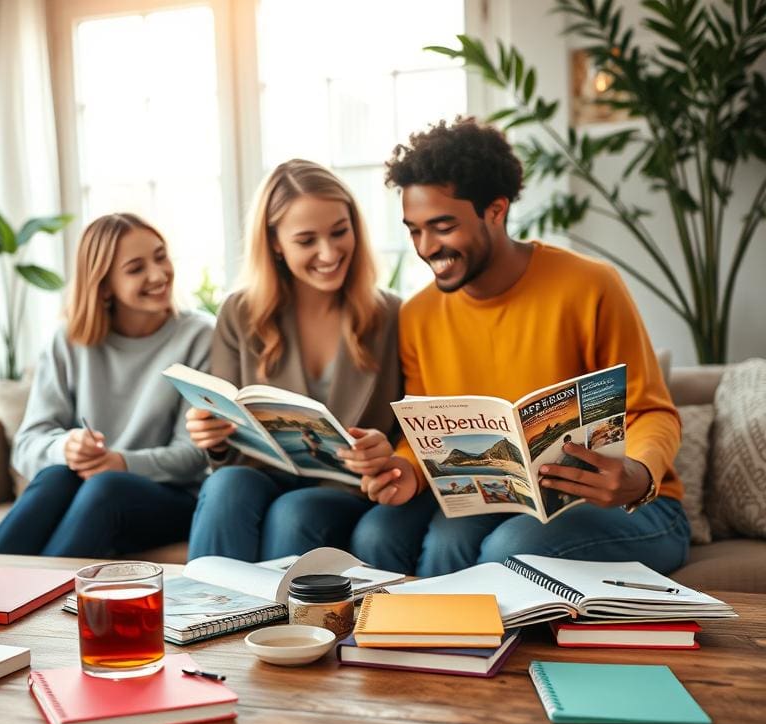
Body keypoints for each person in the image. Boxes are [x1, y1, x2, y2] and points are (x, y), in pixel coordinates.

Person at [355, 117, 689, 577]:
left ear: (496, 210)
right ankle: (404, 626)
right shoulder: (419, 314)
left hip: (633, 505)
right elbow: (423, 435)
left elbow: (653, 411)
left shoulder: (590, 286)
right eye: (414, 230)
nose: (426, 247)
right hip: (497, 500)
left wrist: (639, 473)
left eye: (442, 226)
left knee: (510, 548)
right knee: (380, 534)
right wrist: (406, 469)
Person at [185, 158, 407, 562]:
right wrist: (212, 436)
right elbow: (229, 453)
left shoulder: (391, 314)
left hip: (345, 489)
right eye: (306, 240)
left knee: (295, 511)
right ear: (275, 242)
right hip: (261, 477)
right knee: (226, 487)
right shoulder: (240, 313)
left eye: (339, 232)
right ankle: (205, 601)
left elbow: (408, 433)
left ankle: (280, 608)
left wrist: (384, 450)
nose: (329, 252)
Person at [0, 213, 213, 557]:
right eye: (136, 269)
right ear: (103, 285)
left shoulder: (200, 336)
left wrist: (123, 463)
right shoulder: (68, 341)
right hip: (94, 494)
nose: (158, 274)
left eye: (161, 257)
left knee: (106, 487)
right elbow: (27, 444)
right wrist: (66, 447)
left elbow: (193, 455)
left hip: (173, 499)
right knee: (56, 477)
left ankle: (26, 590)